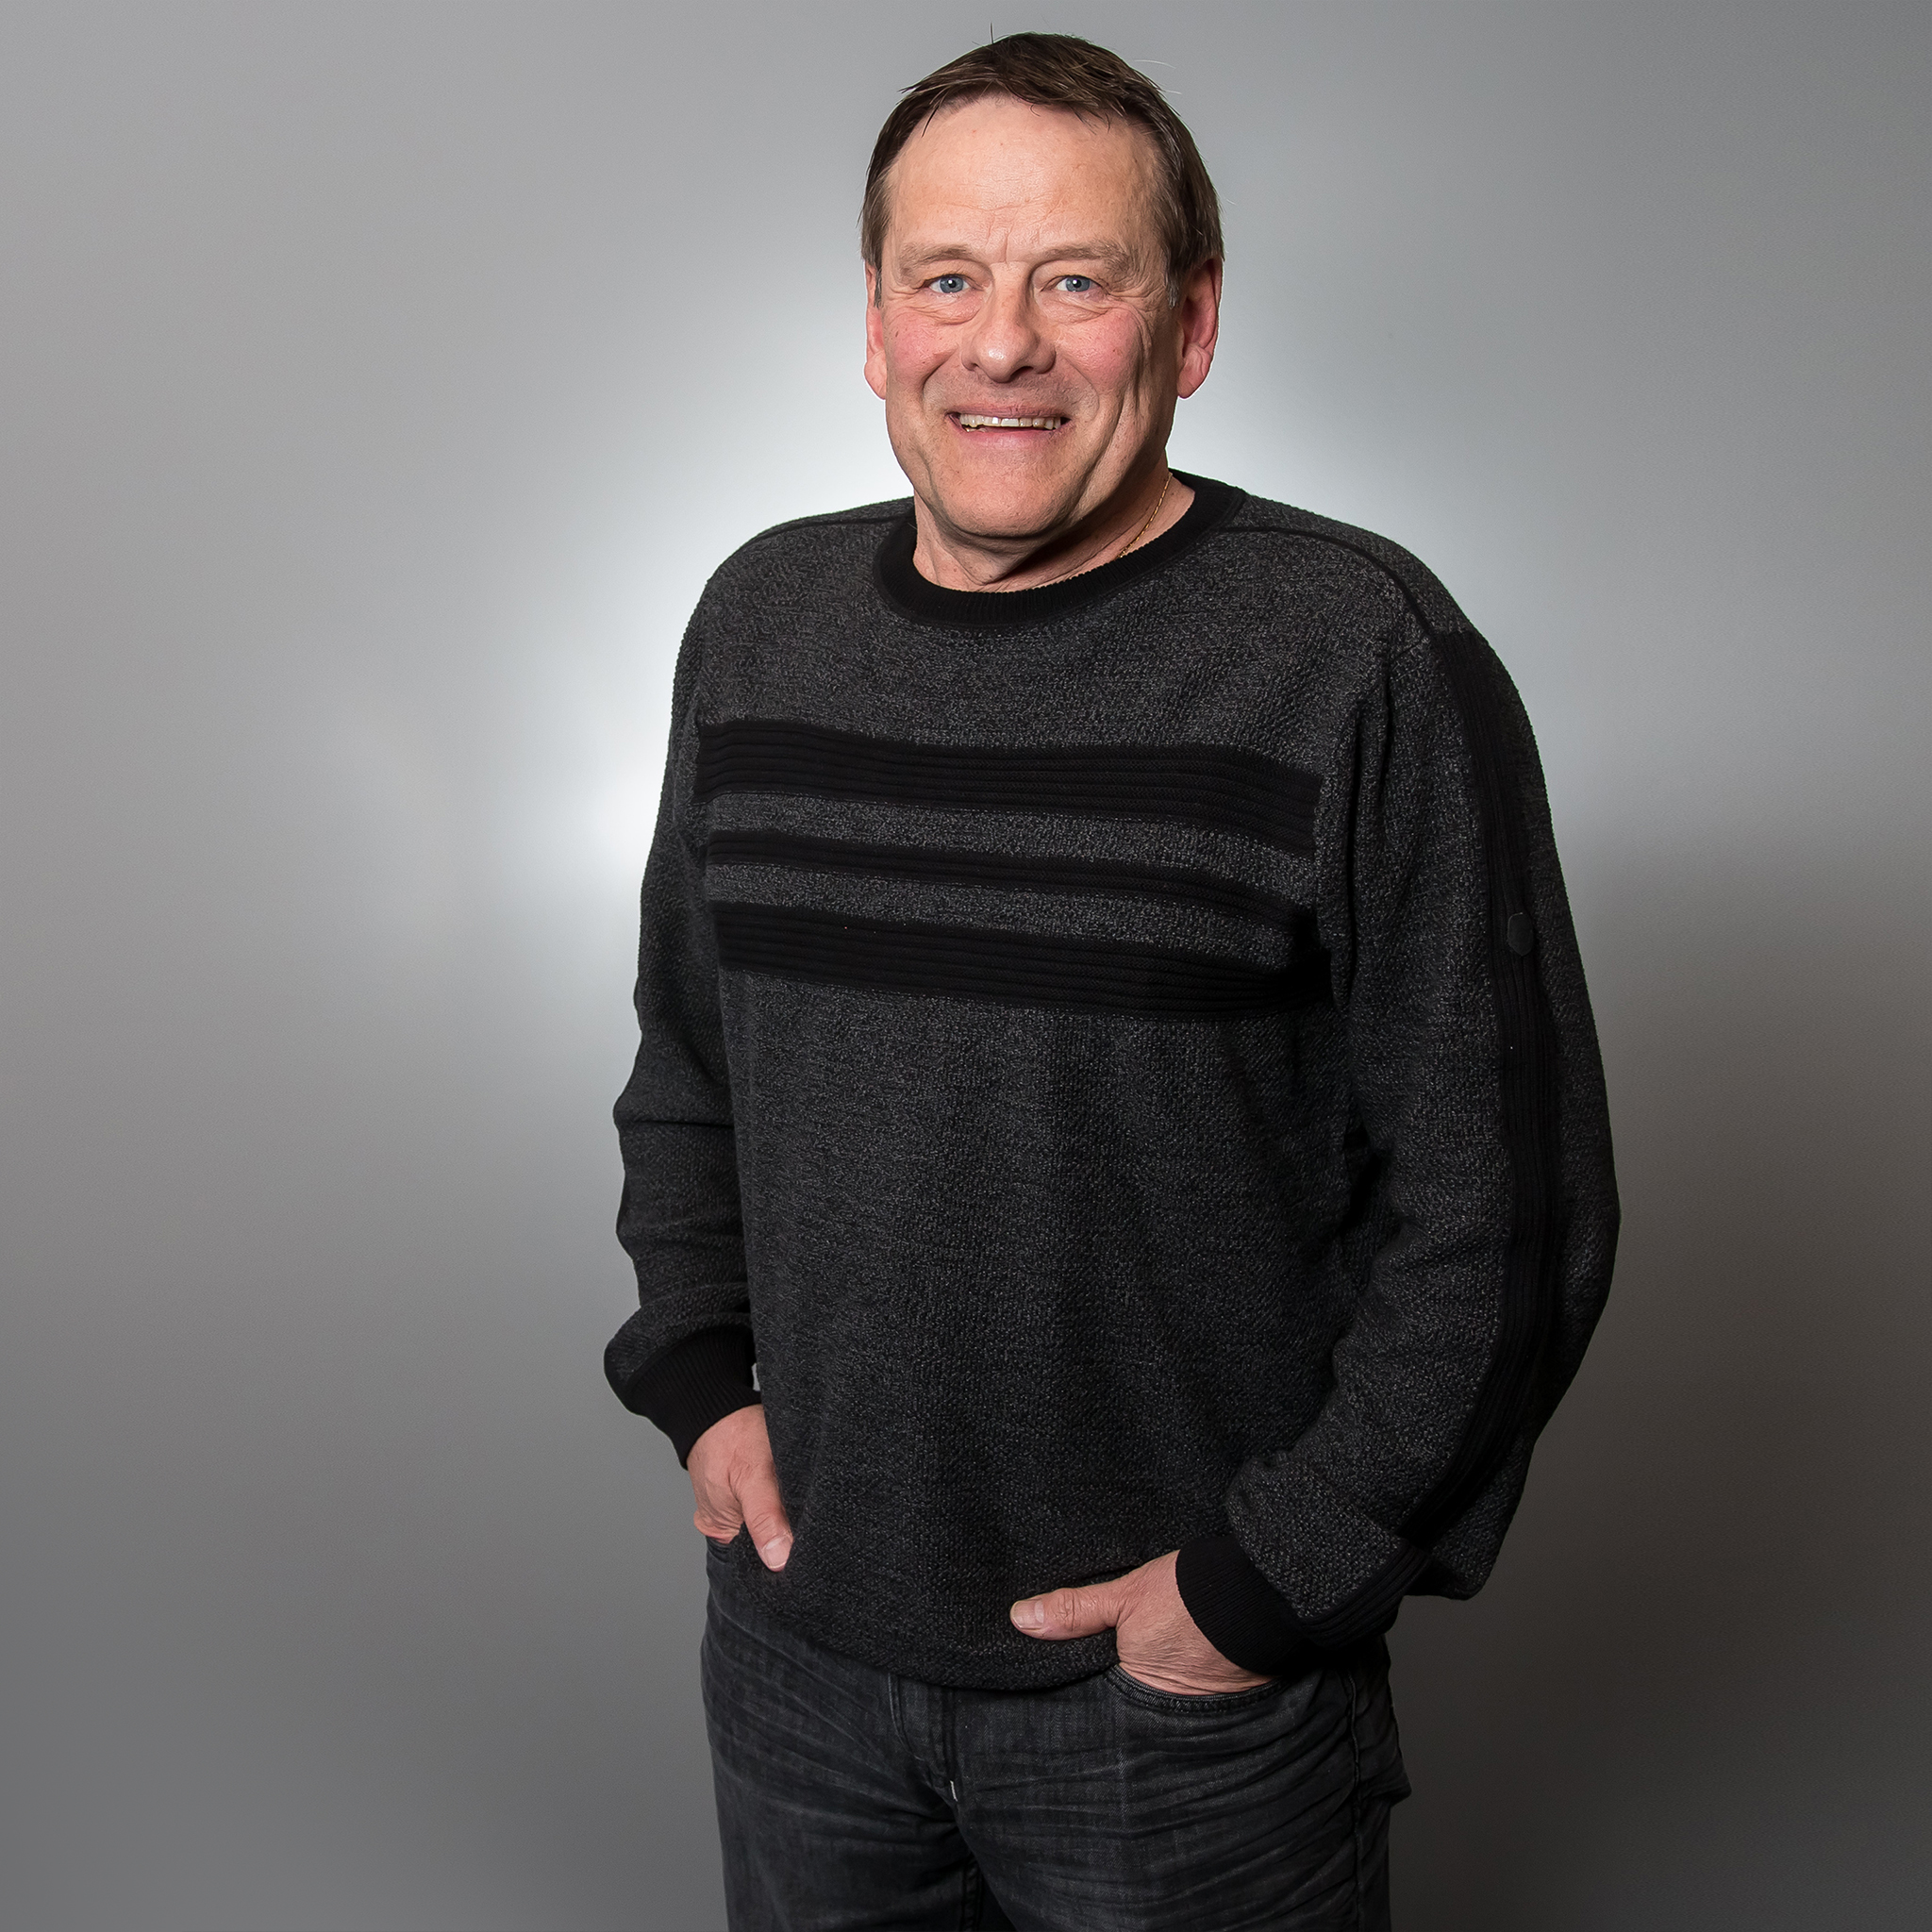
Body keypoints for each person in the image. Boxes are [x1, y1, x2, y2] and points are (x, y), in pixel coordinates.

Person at [604, 32, 1617, 1931]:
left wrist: (1264, 1585)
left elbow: (1507, 1211)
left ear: (1192, 323)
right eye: (946, 279)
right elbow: (691, 1058)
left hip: (1180, 1726)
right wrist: (696, 1373)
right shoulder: (758, 621)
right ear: (876, 323)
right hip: (802, 1662)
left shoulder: (1355, 652)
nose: (1001, 344)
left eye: (1075, 279)